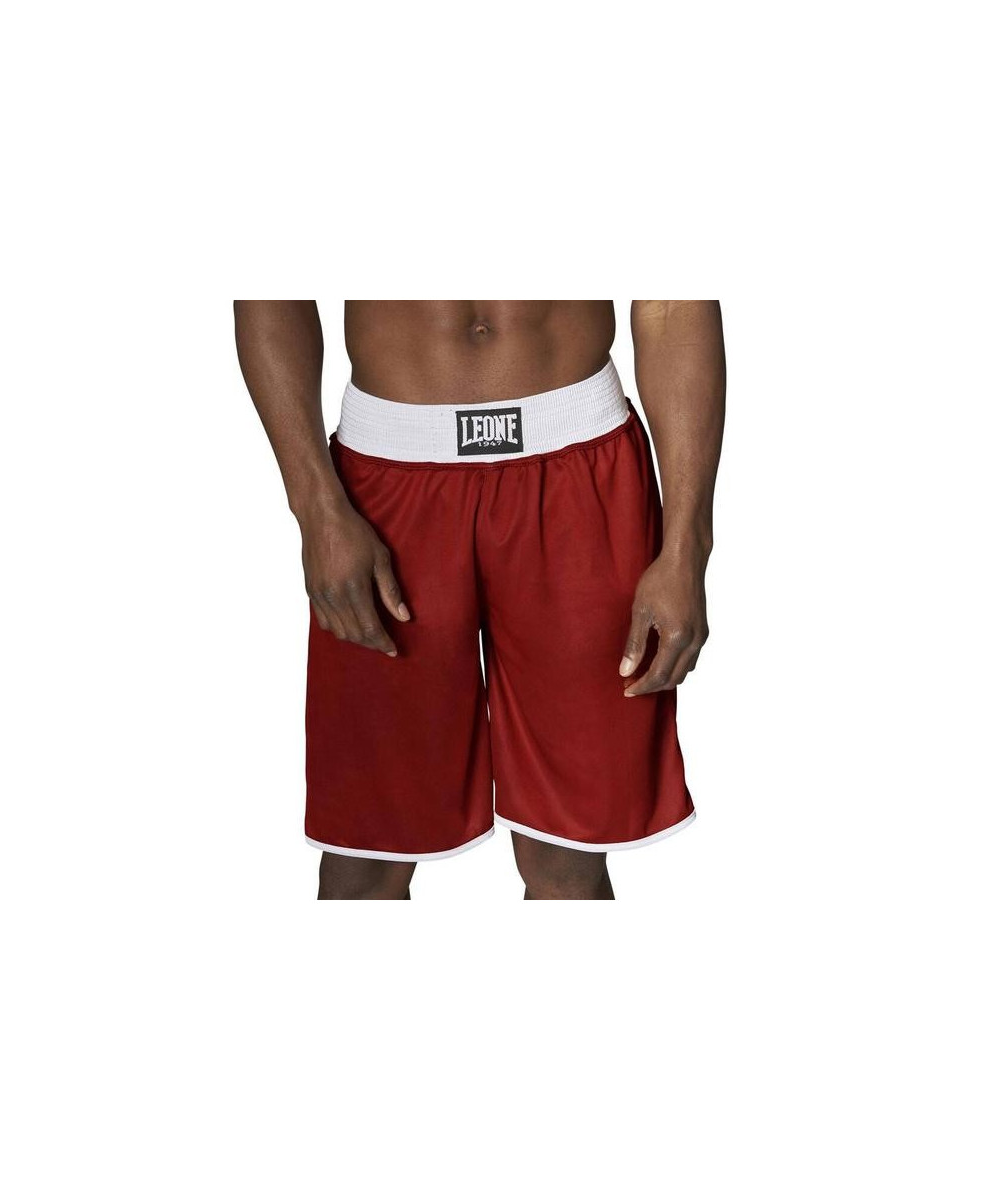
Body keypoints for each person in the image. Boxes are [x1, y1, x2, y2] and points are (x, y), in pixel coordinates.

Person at [235, 301, 725, 899]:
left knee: (569, 854)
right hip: (386, 480)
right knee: (367, 855)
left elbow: (673, 302)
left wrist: (687, 546)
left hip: (580, 464)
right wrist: (317, 510)